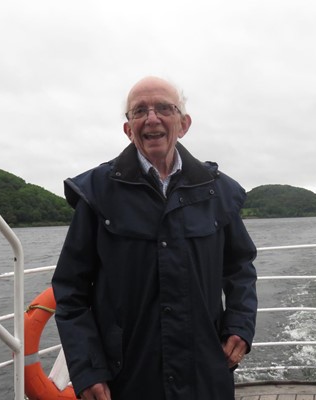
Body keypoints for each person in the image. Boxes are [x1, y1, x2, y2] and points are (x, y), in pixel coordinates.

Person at [52, 76, 258, 400]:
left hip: (206, 372)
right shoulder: (96, 193)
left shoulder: (217, 191)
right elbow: (70, 291)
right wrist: (87, 367)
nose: (152, 118)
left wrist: (240, 325)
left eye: (164, 108)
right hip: (128, 377)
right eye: (139, 111)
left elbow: (239, 267)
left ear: (183, 123)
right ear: (128, 128)